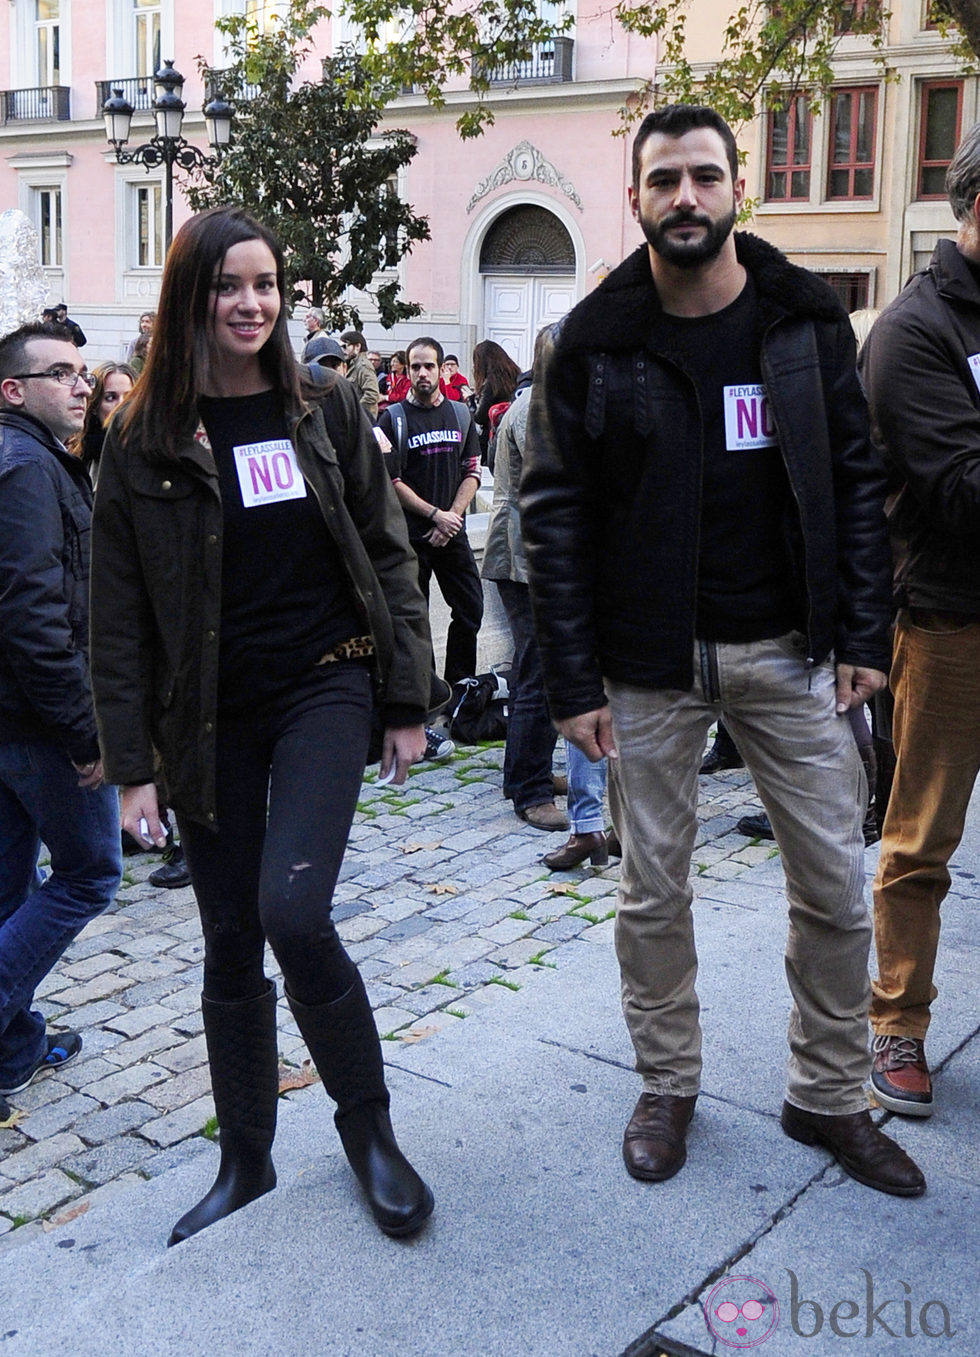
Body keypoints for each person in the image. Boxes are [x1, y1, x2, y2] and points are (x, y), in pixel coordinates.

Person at [522, 103, 925, 1198]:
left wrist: (859, 634)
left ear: (735, 188)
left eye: (703, 176)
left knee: (836, 892)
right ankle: (666, 1083)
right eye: (664, 181)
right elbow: (552, 513)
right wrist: (569, 681)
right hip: (647, 667)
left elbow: (854, 484)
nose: (685, 198)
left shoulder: (803, 324)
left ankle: (829, 1093)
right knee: (651, 894)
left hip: (791, 655)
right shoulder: (594, 342)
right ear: (637, 197)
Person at [89, 205, 434, 1246]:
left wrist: (407, 697)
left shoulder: (323, 404)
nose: (249, 303)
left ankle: (369, 1133)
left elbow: (386, 553)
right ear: (190, 295)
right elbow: (116, 619)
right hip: (207, 716)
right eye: (228, 285)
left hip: (324, 686)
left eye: (265, 285)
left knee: (293, 912)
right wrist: (132, 768)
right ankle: (246, 1157)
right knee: (229, 937)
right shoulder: (142, 443)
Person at [861, 120, 980, 1120]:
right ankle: (895, 1025)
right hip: (947, 625)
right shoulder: (913, 330)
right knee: (919, 841)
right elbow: (959, 489)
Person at [0, 321, 121, 1107]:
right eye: (61, 375)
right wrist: (87, 732)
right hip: (40, 724)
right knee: (89, 873)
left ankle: (13, 1049)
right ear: (13, 390)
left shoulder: (36, 460)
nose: (81, 387)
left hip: (15, 720)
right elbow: (33, 616)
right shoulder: (26, 469)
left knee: (11, 887)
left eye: (82, 373)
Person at [481, 341, 567, 831]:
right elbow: (549, 491)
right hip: (523, 558)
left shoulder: (543, 403)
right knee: (537, 670)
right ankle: (529, 787)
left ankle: (530, 772)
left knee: (541, 668)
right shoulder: (536, 410)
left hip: (528, 554)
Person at [379, 336, 484, 695]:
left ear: (442, 369)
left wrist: (451, 517)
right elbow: (391, 481)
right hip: (412, 539)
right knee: (416, 621)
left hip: (452, 533)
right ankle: (428, 695)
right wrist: (434, 515)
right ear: (407, 371)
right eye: (415, 367)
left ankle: (460, 688)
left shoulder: (460, 413)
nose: (422, 373)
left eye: (429, 366)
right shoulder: (391, 419)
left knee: (471, 608)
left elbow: (472, 470)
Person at [69, 361, 136, 477]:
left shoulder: (150, 451)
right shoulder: (76, 454)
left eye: (128, 397)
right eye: (110, 397)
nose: (121, 405)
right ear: (95, 405)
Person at [472, 340, 520, 463]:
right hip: (511, 431)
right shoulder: (515, 374)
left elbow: (480, 417)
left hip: (492, 436)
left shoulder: (490, 383)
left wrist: (470, 400)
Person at [340, 330, 381, 420]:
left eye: (345, 346)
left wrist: (355, 411)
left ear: (358, 346)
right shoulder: (352, 364)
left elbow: (372, 394)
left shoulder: (363, 366)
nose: (343, 350)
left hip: (363, 420)